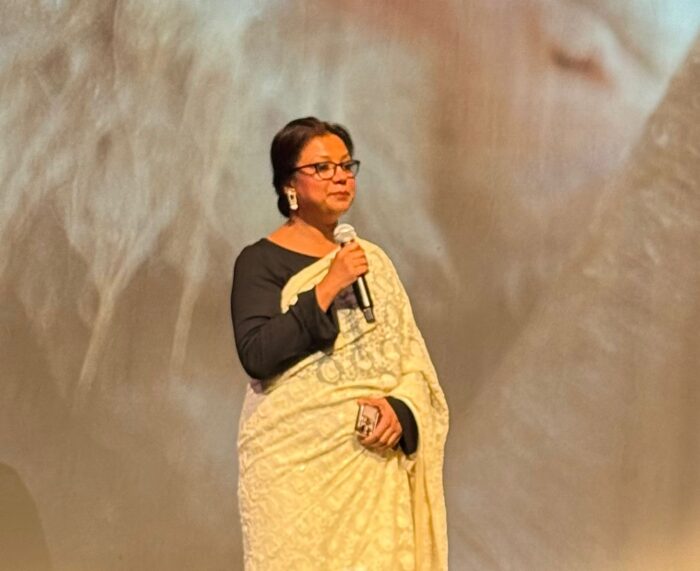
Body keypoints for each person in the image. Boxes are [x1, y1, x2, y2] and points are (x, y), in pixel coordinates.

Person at [231, 117, 449, 570]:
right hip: (295, 474)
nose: (341, 177)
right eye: (322, 167)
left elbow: (410, 362)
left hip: (372, 469)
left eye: (347, 166)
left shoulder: (373, 262)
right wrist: (328, 286)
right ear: (289, 184)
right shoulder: (259, 262)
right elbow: (258, 354)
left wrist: (401, 410)